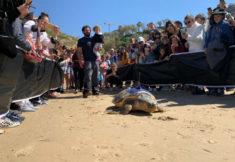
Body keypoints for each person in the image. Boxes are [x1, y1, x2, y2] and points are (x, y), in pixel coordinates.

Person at [0, 0, 32, 128]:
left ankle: (4, 113)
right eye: (27, 5)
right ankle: (2, 115)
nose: (28, 9)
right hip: (7, 49)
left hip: (7, 48)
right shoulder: (15, 18)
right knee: (5, 84)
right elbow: (17, 37)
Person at [205, 7, 234, 96]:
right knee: (212, 72)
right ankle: (213, 88)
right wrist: (205, 46)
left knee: (222, 72)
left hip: (222, 53)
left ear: (222, 16)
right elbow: (207, 39)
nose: (216, 18)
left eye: (218, 16)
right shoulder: (212, 28)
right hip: (211, 55)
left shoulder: (226, 25)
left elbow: (231, 39)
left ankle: (220, 89)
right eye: (214, 16)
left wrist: (225, 41)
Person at [77, 25, 99, 98]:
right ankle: (87, 91)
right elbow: (79, 52)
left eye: (89, 30)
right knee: (88, 76)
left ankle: (95, 90)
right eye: (86, 30)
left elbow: (100, 47)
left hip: (95, 60)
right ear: (83, 32)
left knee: (95, 75)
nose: (88, 31)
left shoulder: (94, 39)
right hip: (87, 60)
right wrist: (80, 61)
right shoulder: (81, 40)